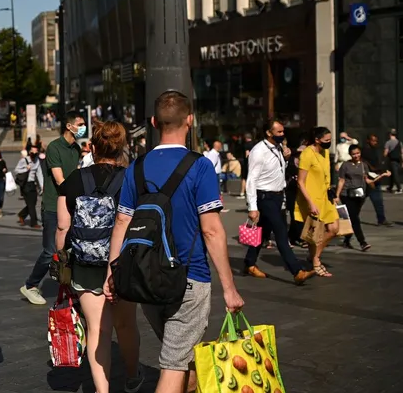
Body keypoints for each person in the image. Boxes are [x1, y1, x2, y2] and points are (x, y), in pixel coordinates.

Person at [106, 91, 244, 393]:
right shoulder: (200, 166)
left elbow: (122, 222)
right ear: (190, 121)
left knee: (184, 357)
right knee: (174, 363)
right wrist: (230, 288)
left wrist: (112, 273)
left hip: (146, 279)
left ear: (154, 122)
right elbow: (211, 230)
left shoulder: (136, 167)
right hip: (189, 278)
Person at [55, 121, 143, 393]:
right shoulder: (132, 179)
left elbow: (62, 228)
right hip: (122, 265)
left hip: (86, 266)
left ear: (92, 147)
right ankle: (132, 376)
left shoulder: (74, 180)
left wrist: (61, 259)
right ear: (122, 148)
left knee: (97, 330)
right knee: (126, 325)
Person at [20, 111, 83, 306]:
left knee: (70, 249)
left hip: (70, 204)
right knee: (50, 250)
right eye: (80, 124)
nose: (83, 127)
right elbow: (59, 179)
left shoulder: (76, 148)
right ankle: (30, 285)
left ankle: (69, 285)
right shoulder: (55, 147)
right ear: (69, 126)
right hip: (53, 205)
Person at [243, 121, 316, 284]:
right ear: (269, 133)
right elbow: (251, 180)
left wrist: (286, 158)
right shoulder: (258, 151)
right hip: (265, 197)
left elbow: (278, 170)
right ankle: (297, 271)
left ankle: (249, 263)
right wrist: (252, 207)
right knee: (281, 232)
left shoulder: (278, 148)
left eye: (283, 131)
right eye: (279, 132)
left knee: (262, 232)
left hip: (277, 196)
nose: (283, 134)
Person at [295, 127, 340, 277]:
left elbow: (326, 175)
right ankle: (316, 261)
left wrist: (332, 193)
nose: (329, 143)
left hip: (325, 196)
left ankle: (314, 256)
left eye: (330, 140)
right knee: (315, 233)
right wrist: (310, 203)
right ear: (317, 140)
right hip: (312, 198)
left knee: (334, 229)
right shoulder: (307, 154)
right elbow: (300, 182)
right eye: (326, 140)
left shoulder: (325, 152)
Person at [336, 144, 388, 251]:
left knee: (353, 218)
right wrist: (337, 195)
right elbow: (341, 180)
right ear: (350, 154)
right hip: (347, 195)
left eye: (358, 153)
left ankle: (346, 240)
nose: (356, 156)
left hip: (359, 195)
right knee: (355, 219)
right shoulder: (345, 165)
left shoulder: (363, 165)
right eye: (353, 154)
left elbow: (367, 180)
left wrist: (382, 176)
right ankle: (362, 242)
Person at [361, 134, 393, 226]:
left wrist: (381, 170)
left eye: (376, 141)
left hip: (376, 179)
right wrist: (372, 168)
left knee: (378, 201)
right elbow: (364, 161)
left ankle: (381, 219)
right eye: (373, 140)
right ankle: (351, 218)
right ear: (368, 140)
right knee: (359, 202)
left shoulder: (375, 150)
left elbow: (378, 162)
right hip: (367, 179)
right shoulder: (364, 151)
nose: (375, 142)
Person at [15, 147, 41, 228]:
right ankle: (34, 223)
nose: (34, 153)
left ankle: (22, 214)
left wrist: (42, 185)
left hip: (33, 184)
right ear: (29, 152)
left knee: (33, 202)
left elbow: (39, 173)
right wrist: (26, 169)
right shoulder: (24, 160)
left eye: (36, 152)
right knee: (31, 204)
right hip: (25, 184)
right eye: (32, 152)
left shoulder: (37, 160)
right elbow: (16, 170)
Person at [384, 129, 403, 193]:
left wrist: (383, 158)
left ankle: (399, 189)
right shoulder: (400, 142)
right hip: (398, 161)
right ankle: (390, 187)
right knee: (392, 174)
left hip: (392, 161)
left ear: (390, 134)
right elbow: (402, 153)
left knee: (395, 175)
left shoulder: (388, 142)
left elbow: (385, 153)